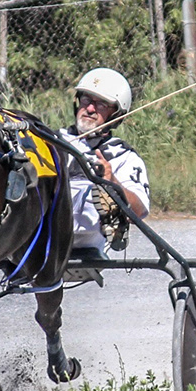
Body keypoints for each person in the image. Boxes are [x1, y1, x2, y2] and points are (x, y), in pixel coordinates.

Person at [57, 67, 149, 256]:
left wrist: (112, 181)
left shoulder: (123, 155)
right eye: (86, 100)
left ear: (115, 114)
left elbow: (139, 211)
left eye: (101, 105)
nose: (90, 109)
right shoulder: (51, 140)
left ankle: (114, 219)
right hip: (48, 230)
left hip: (87, 242)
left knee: (97, 190)